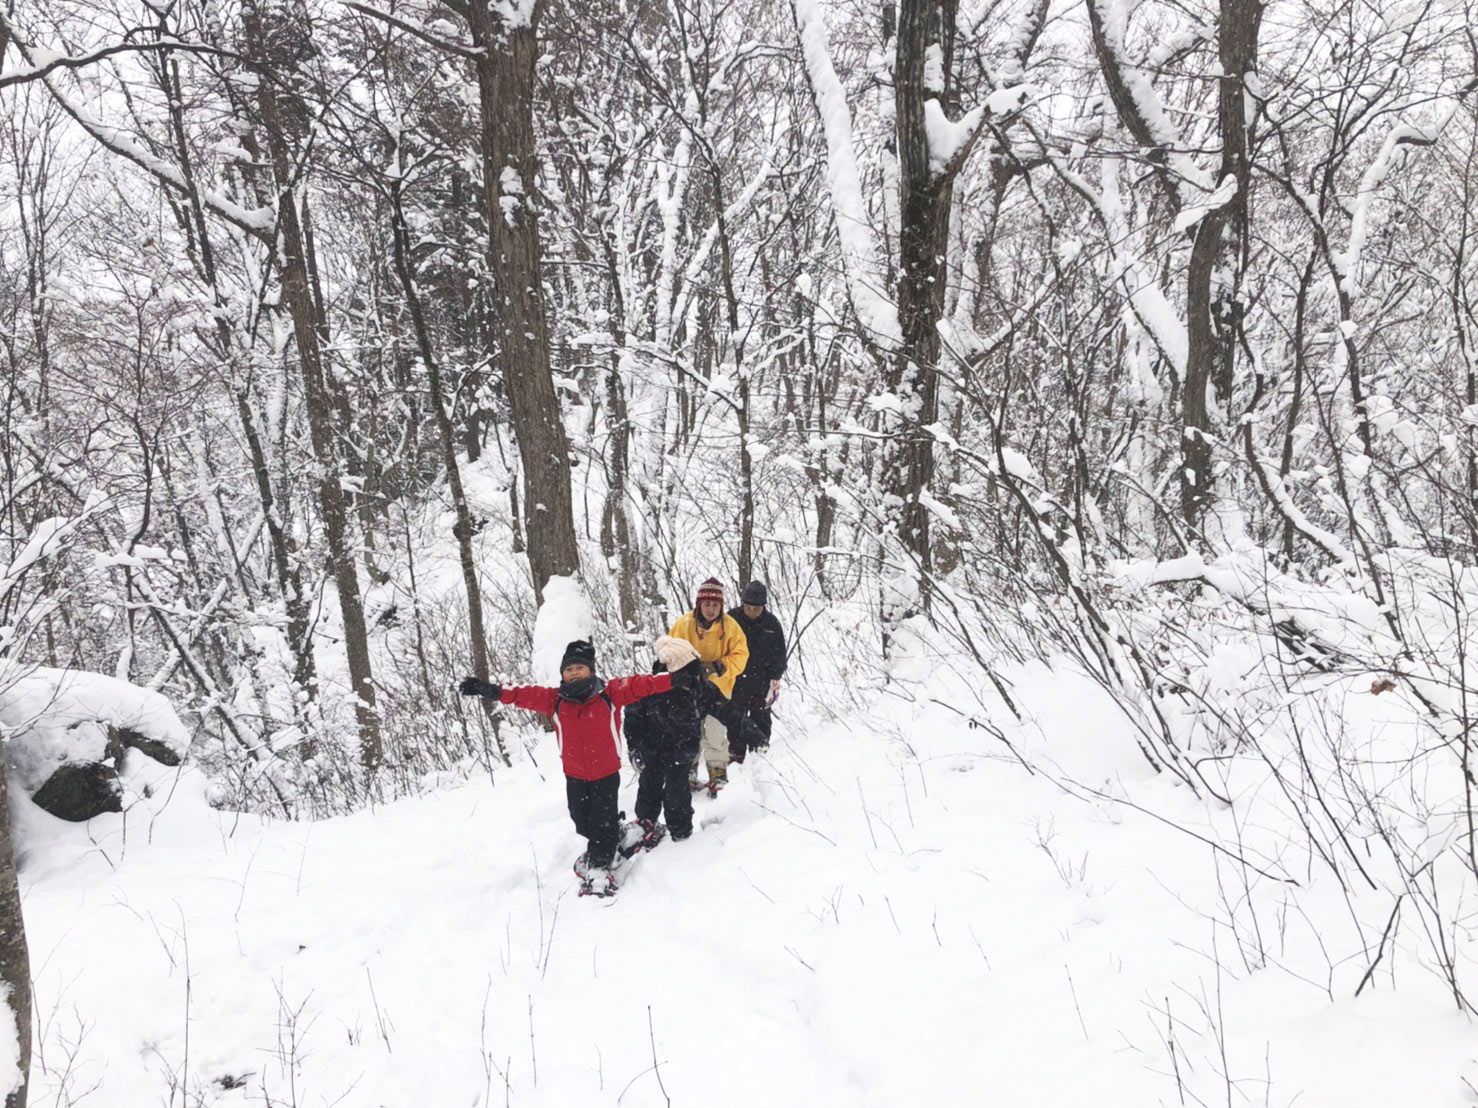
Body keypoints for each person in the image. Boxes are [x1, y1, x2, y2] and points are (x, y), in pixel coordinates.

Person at [458, 639, 698, 894]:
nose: (574, 673)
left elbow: (642, 684)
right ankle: (614, 836)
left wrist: (672, 680)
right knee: (582, 822)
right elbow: (522, 694)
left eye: (579, 668)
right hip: (574, 776)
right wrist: (491, 690)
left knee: (601, 823)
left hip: (605, 774)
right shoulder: (555, 700)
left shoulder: (610, 693)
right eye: (568, 670)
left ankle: (599, 867)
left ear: (591, 671)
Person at [625, 637, 767, 835]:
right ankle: (645, 826)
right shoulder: (650, 687)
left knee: (677, 794)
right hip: (652, 747)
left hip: (682, 750)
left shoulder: (700, 688)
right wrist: (635, 747)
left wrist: (754, 735)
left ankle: (680, 832)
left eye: (696, 669)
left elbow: (728, 712)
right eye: (689, 670)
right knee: (649, 788)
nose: (695, 676)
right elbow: (633, 717)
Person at [667, 577, 750, 792]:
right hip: (689, 689)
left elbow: (741, 654)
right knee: (689, 730)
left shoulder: (730, 627)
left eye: (715, 605)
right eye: (707, 604)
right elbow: (669, 651)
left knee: (714, 732)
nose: (711, 609)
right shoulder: (684, 625)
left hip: (719, 688)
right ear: (699, 604)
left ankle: (717, 771)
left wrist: (720, 666)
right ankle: (689, 769)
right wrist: (684, 671)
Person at [726, 580, 788, 763]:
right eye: (748, 607)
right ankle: (736, 759)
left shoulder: (772, 624)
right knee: (735, 721)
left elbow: (780, 655)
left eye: (756, 608)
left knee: (761, 719)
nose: (752, 611)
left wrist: (774, 680)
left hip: (761, 681)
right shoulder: (732, 619)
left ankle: (760, 756)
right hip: (736, 681)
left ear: (763, 606)